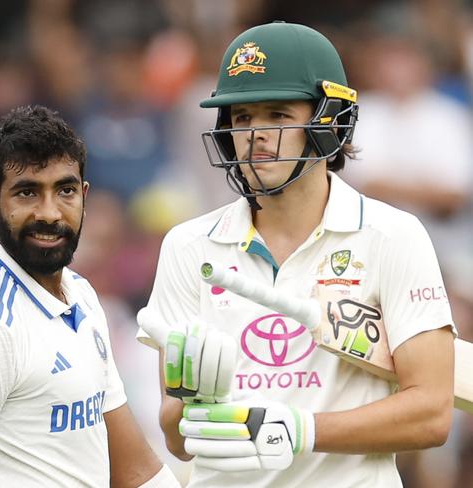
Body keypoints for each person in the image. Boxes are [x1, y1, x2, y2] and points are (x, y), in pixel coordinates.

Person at [137, 21, 455, 487]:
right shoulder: (188, 246)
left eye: (278, 115)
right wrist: (191, 403)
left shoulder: (393, 236)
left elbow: (431, 413)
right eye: (242, 118)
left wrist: (303, 430)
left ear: (332, 121)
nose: (255, 136)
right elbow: (177, 438)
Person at [0, 105, 179, 488]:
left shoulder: (82, 296)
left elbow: (135, 471)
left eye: (65, 190)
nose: (50, 213)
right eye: (27, 193)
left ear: (84, 195)